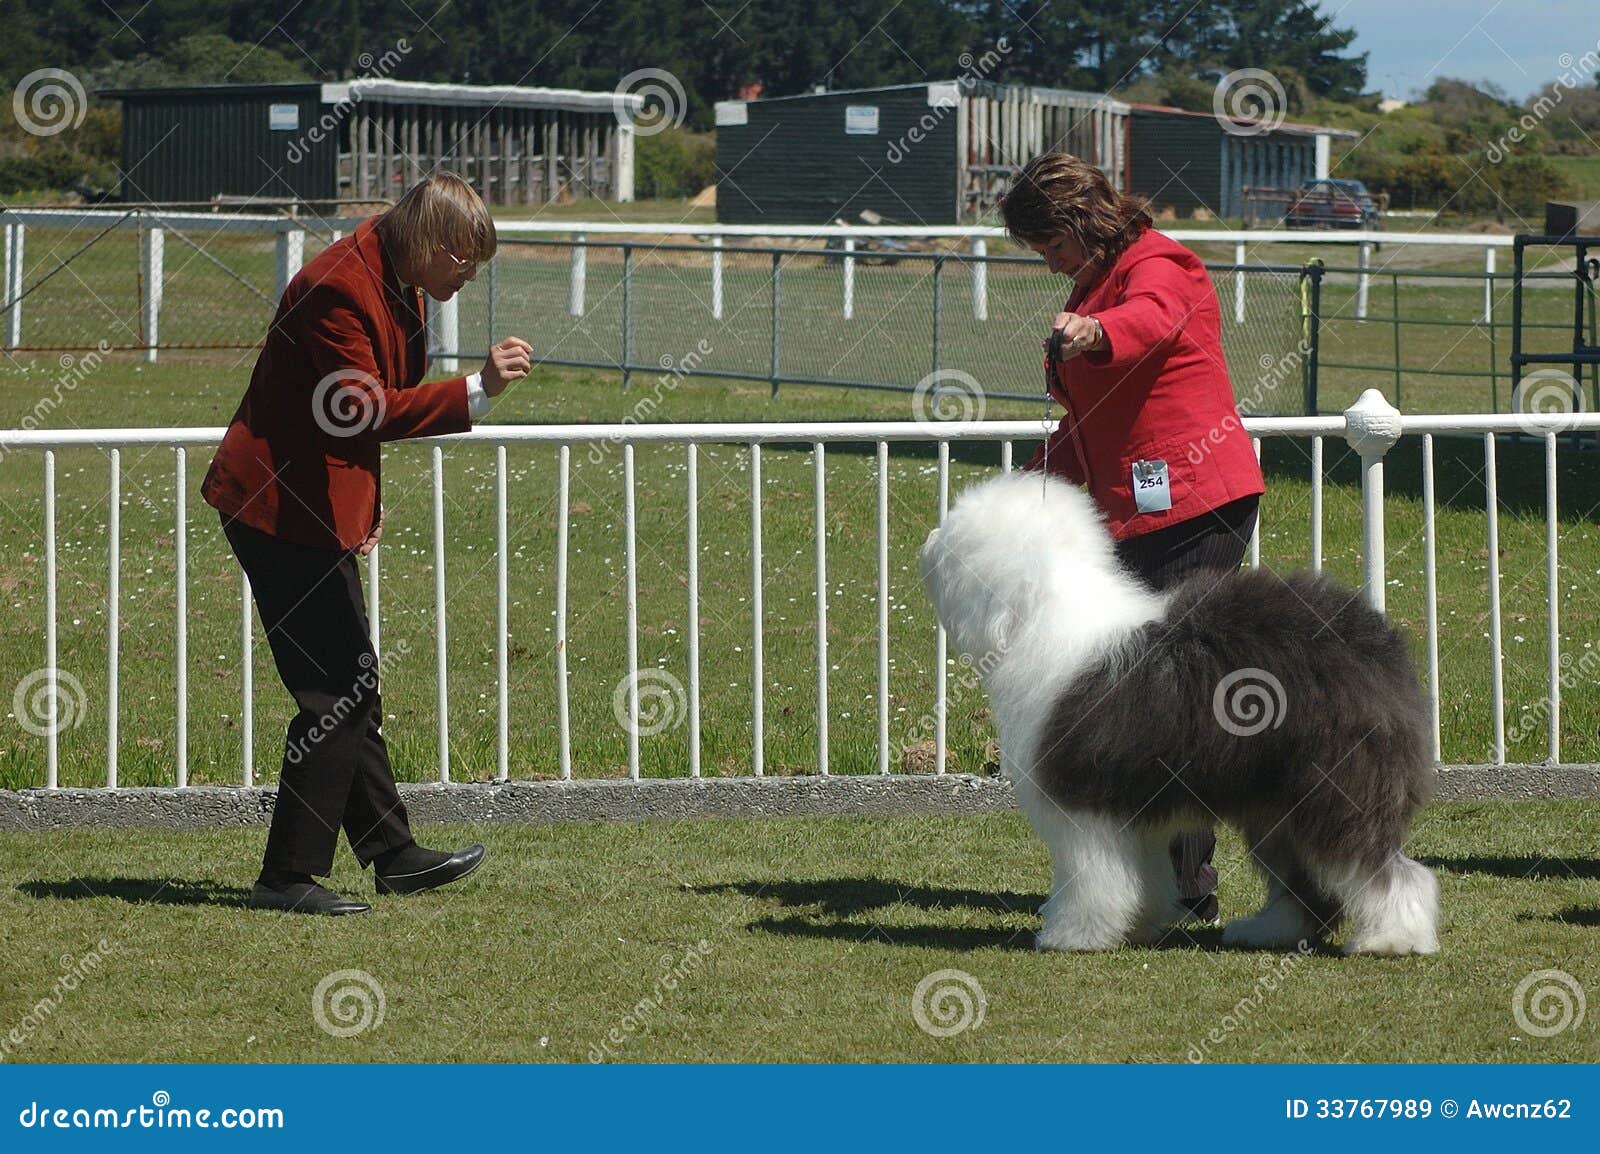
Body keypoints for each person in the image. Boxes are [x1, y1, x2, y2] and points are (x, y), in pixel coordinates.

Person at [202, 171, 534, 915]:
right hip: (277, 508)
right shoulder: (338, 286)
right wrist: (476, 390)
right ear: (429, 241)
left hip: (317, 503)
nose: (470, 275)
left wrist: (367, 499)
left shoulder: (398, 274)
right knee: (333, 693)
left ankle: (392, 853)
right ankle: (285, 877)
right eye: (465, 260)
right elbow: (358, 406)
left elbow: (349, 411)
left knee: (351, 685)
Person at [998, 152, 1266, 924]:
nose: (1050, 267)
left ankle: (1189, 892)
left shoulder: (1162, 264)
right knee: (1140, 696)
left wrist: (1093, 330)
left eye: (1053, 247)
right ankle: (1151, 884)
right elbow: (1085, 427)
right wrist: (1024, 485)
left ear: (1083, 222)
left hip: (1197, 503)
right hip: (1132, 510)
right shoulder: (1089, 284)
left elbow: (1144, 322)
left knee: (1171, 697)